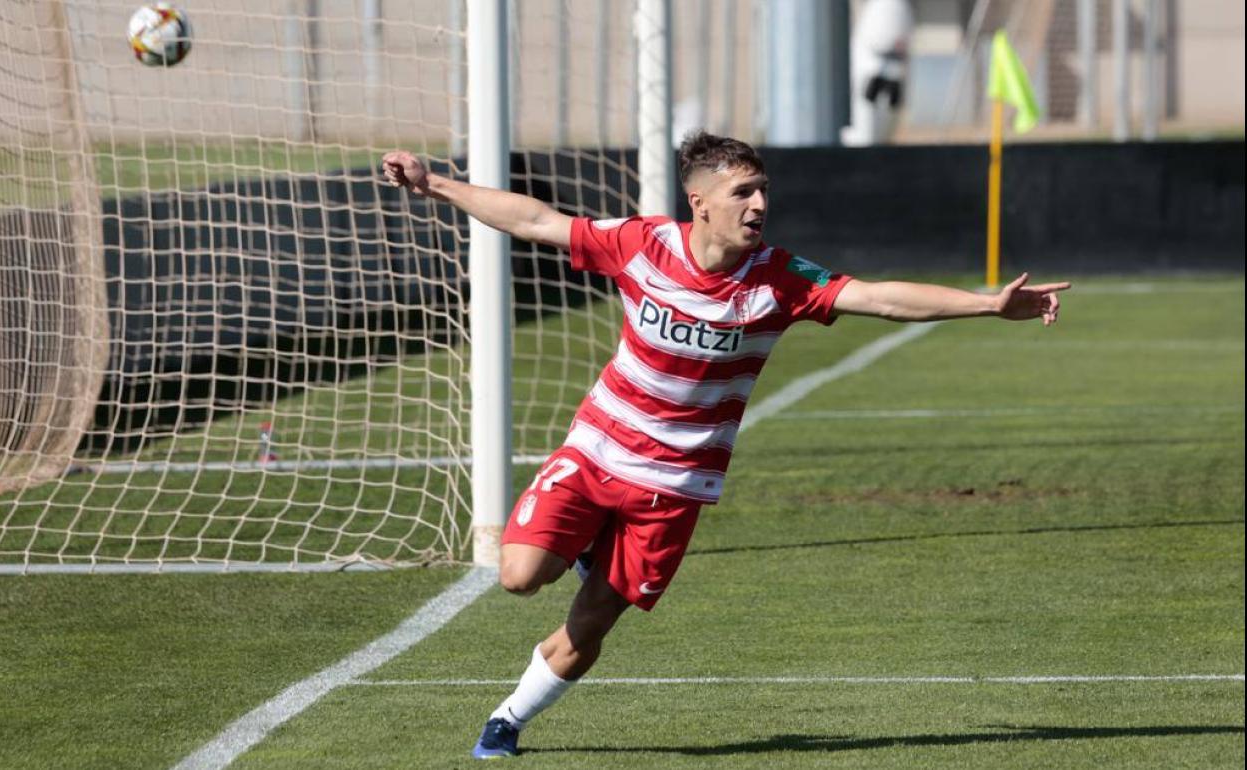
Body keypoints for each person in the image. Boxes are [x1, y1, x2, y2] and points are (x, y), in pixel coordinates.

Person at [381, 131, 1069, 759]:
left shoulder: (782, 279)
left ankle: (507, 720)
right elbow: (535, 221)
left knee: (587, 631)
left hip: (675, 488)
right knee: (519, 576)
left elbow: (881, 297)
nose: (760, 203)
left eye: (764, 190)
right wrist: (433, 183)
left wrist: (986, 303)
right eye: (744, 191)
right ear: (700, 202)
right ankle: (589, 552)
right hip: (596, 453)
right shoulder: (641, 244)